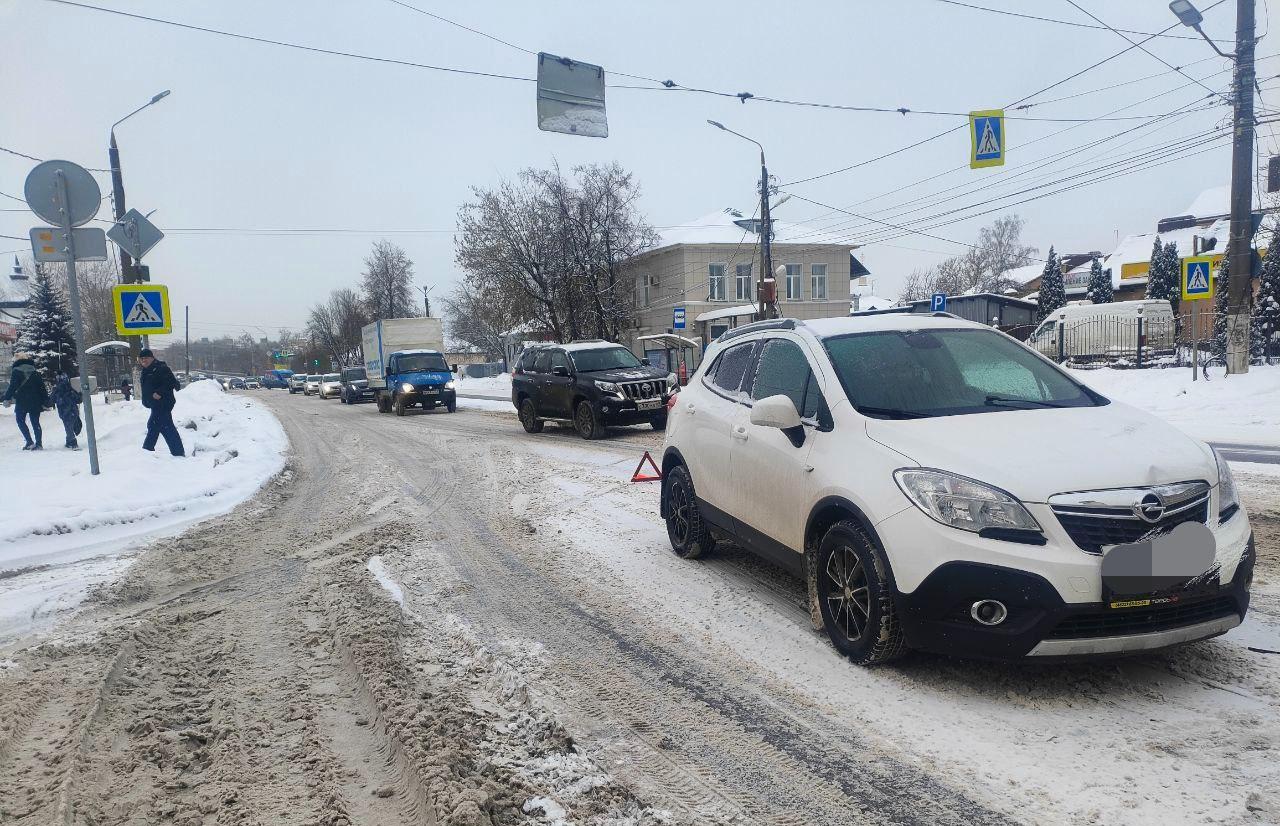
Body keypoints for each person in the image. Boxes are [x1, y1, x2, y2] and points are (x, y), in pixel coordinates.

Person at [138, 348, 185, 457]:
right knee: (160, 427)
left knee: (156, 426)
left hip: (163, 403)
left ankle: (147, 451)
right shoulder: (146, 370)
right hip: (155, 404)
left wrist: (159, 392)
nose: (144, 360)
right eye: (142, 359)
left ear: (152, 358)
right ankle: (177, 452)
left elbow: (172, 382)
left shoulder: (160, 368)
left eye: (146, 358)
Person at [1, 352, 49, 450]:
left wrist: (7, 398)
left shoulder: (16, 371)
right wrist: (45, 400)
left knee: (20, 420)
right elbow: (42, 388)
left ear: (17, 360)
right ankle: (39, 444)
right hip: (36, 401)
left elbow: (12, 386)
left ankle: (29, 442)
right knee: (35, 422)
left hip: (22, 401)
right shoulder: (35, 372)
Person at [51, 373, 83, 449]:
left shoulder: (57, 390)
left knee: (68, 427)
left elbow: (51, 400)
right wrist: (80, 395)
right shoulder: (70, 388)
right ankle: (69, 442)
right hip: (73, 410)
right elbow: (78, 400)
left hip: (64, 412)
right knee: (70, 427)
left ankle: (73, 443)